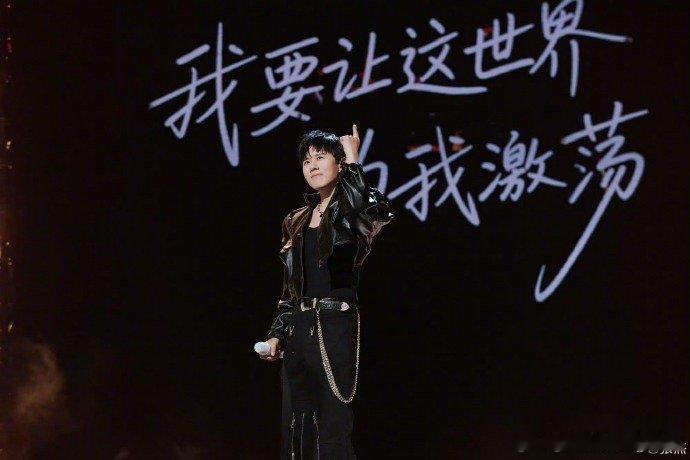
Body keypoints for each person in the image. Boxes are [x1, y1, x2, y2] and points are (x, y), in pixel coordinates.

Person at [260, 125, 394, 459]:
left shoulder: (353, 209)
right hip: (298, 328)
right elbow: (291, 286)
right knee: (297, 430)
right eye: (306, 161)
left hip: (335, 324)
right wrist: (278, 333)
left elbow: (369, 217)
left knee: (333, 427)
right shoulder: (295, 220)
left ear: (339, 163)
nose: (312, 166)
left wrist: (354, 160)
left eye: (320, 157)